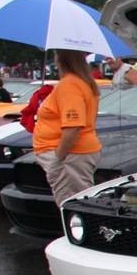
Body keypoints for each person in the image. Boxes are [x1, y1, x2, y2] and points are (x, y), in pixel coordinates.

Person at [33, 49, 102, 206]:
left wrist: (57, 159)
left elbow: (73, 127)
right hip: (74, 155)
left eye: (56, 54)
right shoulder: (82, 82)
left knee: (72, 206)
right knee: (78, 203)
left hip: (69, 156)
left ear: (61, 59)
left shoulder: (70, 85)